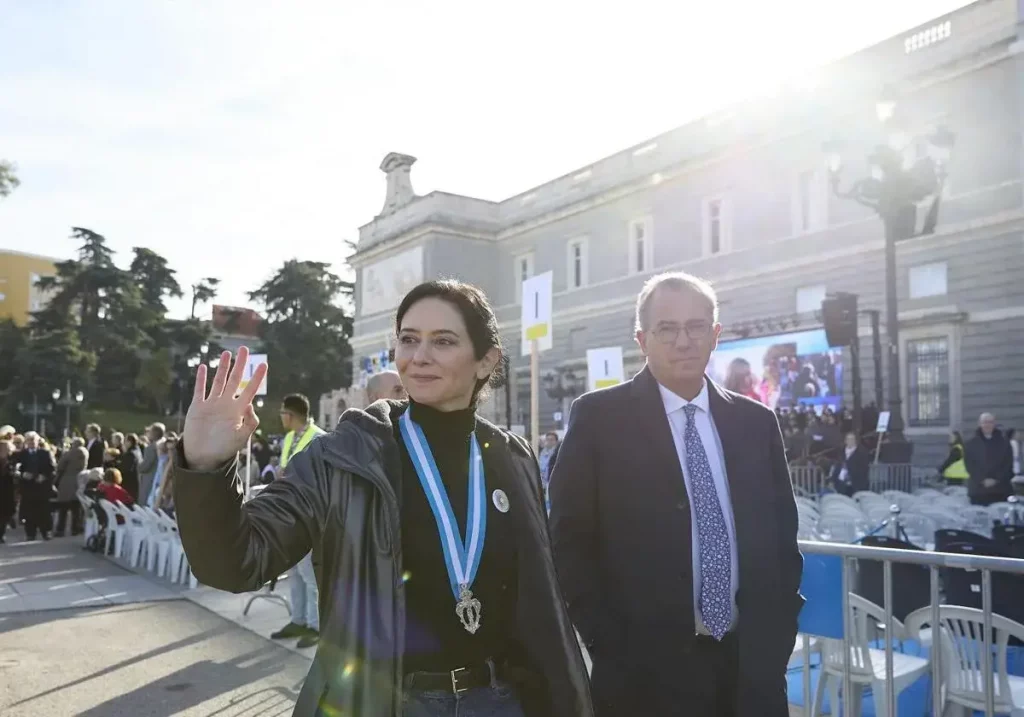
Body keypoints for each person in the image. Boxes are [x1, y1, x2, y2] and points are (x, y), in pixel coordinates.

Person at [171, 279, 592, 717]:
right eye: (408, 340)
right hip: (388, 703)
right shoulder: (345, 455)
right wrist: (205, 468)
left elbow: (541, 596)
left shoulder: (511, 455)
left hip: (501, 699)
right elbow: (239, 560)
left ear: (485, 361)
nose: (419, 356)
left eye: (443, 341)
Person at [549, 271, 802, 717]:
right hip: (643, 675)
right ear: (642, 340)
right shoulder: (599, 420)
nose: (683, 340)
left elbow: (784, 539)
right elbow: (568, 540)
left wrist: (777, 637)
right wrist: (605, 642)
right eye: (667, 328)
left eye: (696, 326)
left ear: (715, 334)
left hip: (750, 671)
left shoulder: (756, 423)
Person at [268, 393, 325, 649]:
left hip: (310, 517)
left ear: (291, 414)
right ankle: (299, 619)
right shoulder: (289, 438)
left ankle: (317, 626)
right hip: (289, 514)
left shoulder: (320, 438)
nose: (280, 417)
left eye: (282, 413)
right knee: (295, 572)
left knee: (310, 574)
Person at [14, 431, 57, 541]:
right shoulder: (21, 454)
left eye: (33, 440)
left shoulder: (45, 453)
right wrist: (23, 474)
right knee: (29, 512)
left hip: (42, 487)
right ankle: (30, 533)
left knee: (44, 511)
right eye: (29, 440)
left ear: (38, 441)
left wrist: (44, 476)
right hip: (28, 488)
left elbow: (52, 469)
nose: (31, 442)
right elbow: (15, 469)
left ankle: (46, 532)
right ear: (26, 442)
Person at [964, 412, 1014, 506]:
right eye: (985, 422)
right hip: (978, 492)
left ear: (994, 424)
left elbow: (1008, 464)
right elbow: (969, 465)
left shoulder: (1004, 443)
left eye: (990, 422)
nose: (987, 425)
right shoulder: (970, 443)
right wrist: (982, 480)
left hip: (1001, 491)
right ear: (979, 424)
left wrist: (995, 479)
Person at [54, 436, 88, 536]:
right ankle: (75, 528)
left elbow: (60, 465)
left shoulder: (70, 453)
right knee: (76, 508)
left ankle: (60, 529)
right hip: (79, 480)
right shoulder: (85, 452)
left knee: (63, 508)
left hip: (67, 481)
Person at [829, 432, 870, 497]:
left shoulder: (862, 452)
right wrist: (832, 480)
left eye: (852, 439)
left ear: (855, 440)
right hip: (841, 485)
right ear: (845, 440)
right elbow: (836, 467)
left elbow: (864, 469)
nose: (850, 441)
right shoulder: (840, 452)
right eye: (848, 439)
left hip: (856, 485)